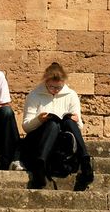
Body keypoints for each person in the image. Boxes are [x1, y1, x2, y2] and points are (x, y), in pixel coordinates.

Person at [21, 62, 94, 190]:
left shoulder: (71, 95)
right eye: (51, 87)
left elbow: (79, 127)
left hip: (62, 142)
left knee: (69, 122)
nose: (55, 90)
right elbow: (26, 127)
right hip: (40, 139)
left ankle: (85, 162)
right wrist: (39, 119)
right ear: (46, 82)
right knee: (52, 124)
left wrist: (76, 120)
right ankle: (40, 164)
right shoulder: (34, 95)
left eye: (58, 87)